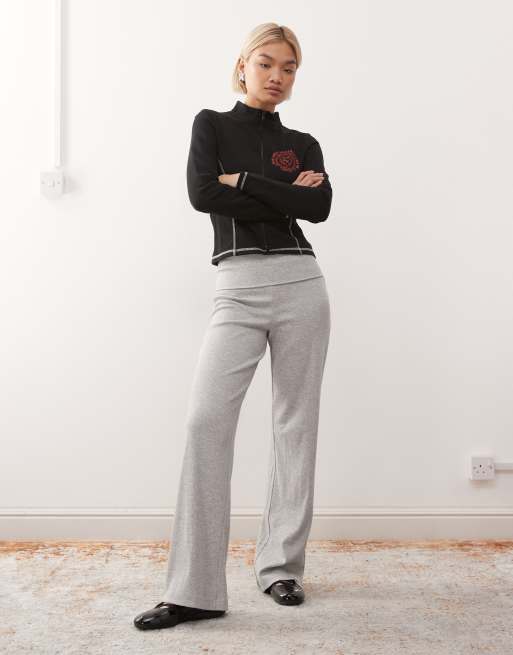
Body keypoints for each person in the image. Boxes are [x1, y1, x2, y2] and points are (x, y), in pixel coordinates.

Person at [134, 21, 332, 631]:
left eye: (289, 68)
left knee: (295, 425)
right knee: (206, 421)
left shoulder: (303, 142)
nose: (277, 76)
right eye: (266, 63)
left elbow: (319, 207)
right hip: (238, 284)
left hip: (302, 284)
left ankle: (281, 568)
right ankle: (195, 589)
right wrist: (282, 192)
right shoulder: (212, 126)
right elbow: (201, 194)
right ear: (243, 65)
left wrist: (242, 181)